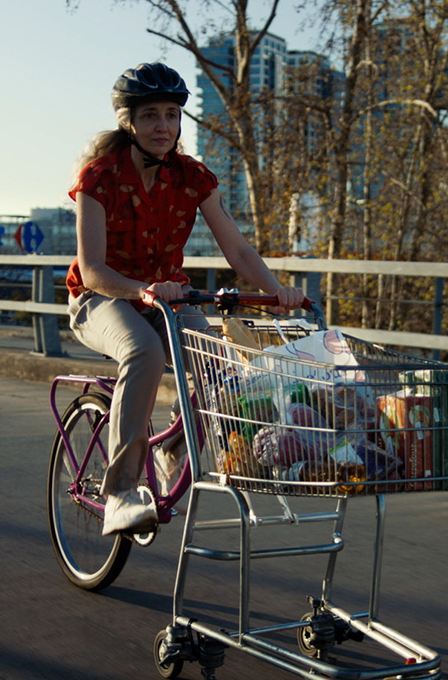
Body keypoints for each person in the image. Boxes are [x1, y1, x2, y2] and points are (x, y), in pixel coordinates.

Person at [67, 62, 305, 536]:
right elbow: (92, 269)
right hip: (102, 298)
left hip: (167, 300)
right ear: (129, 123)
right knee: (145, 350)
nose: (163, 126)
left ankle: (173, 447)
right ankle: (119, 492)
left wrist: (275, 290)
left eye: (172, 115)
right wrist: (142, 289)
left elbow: (236, 249)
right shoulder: (99, 178)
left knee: (219, 363)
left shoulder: (193, 177)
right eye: (151, 115)